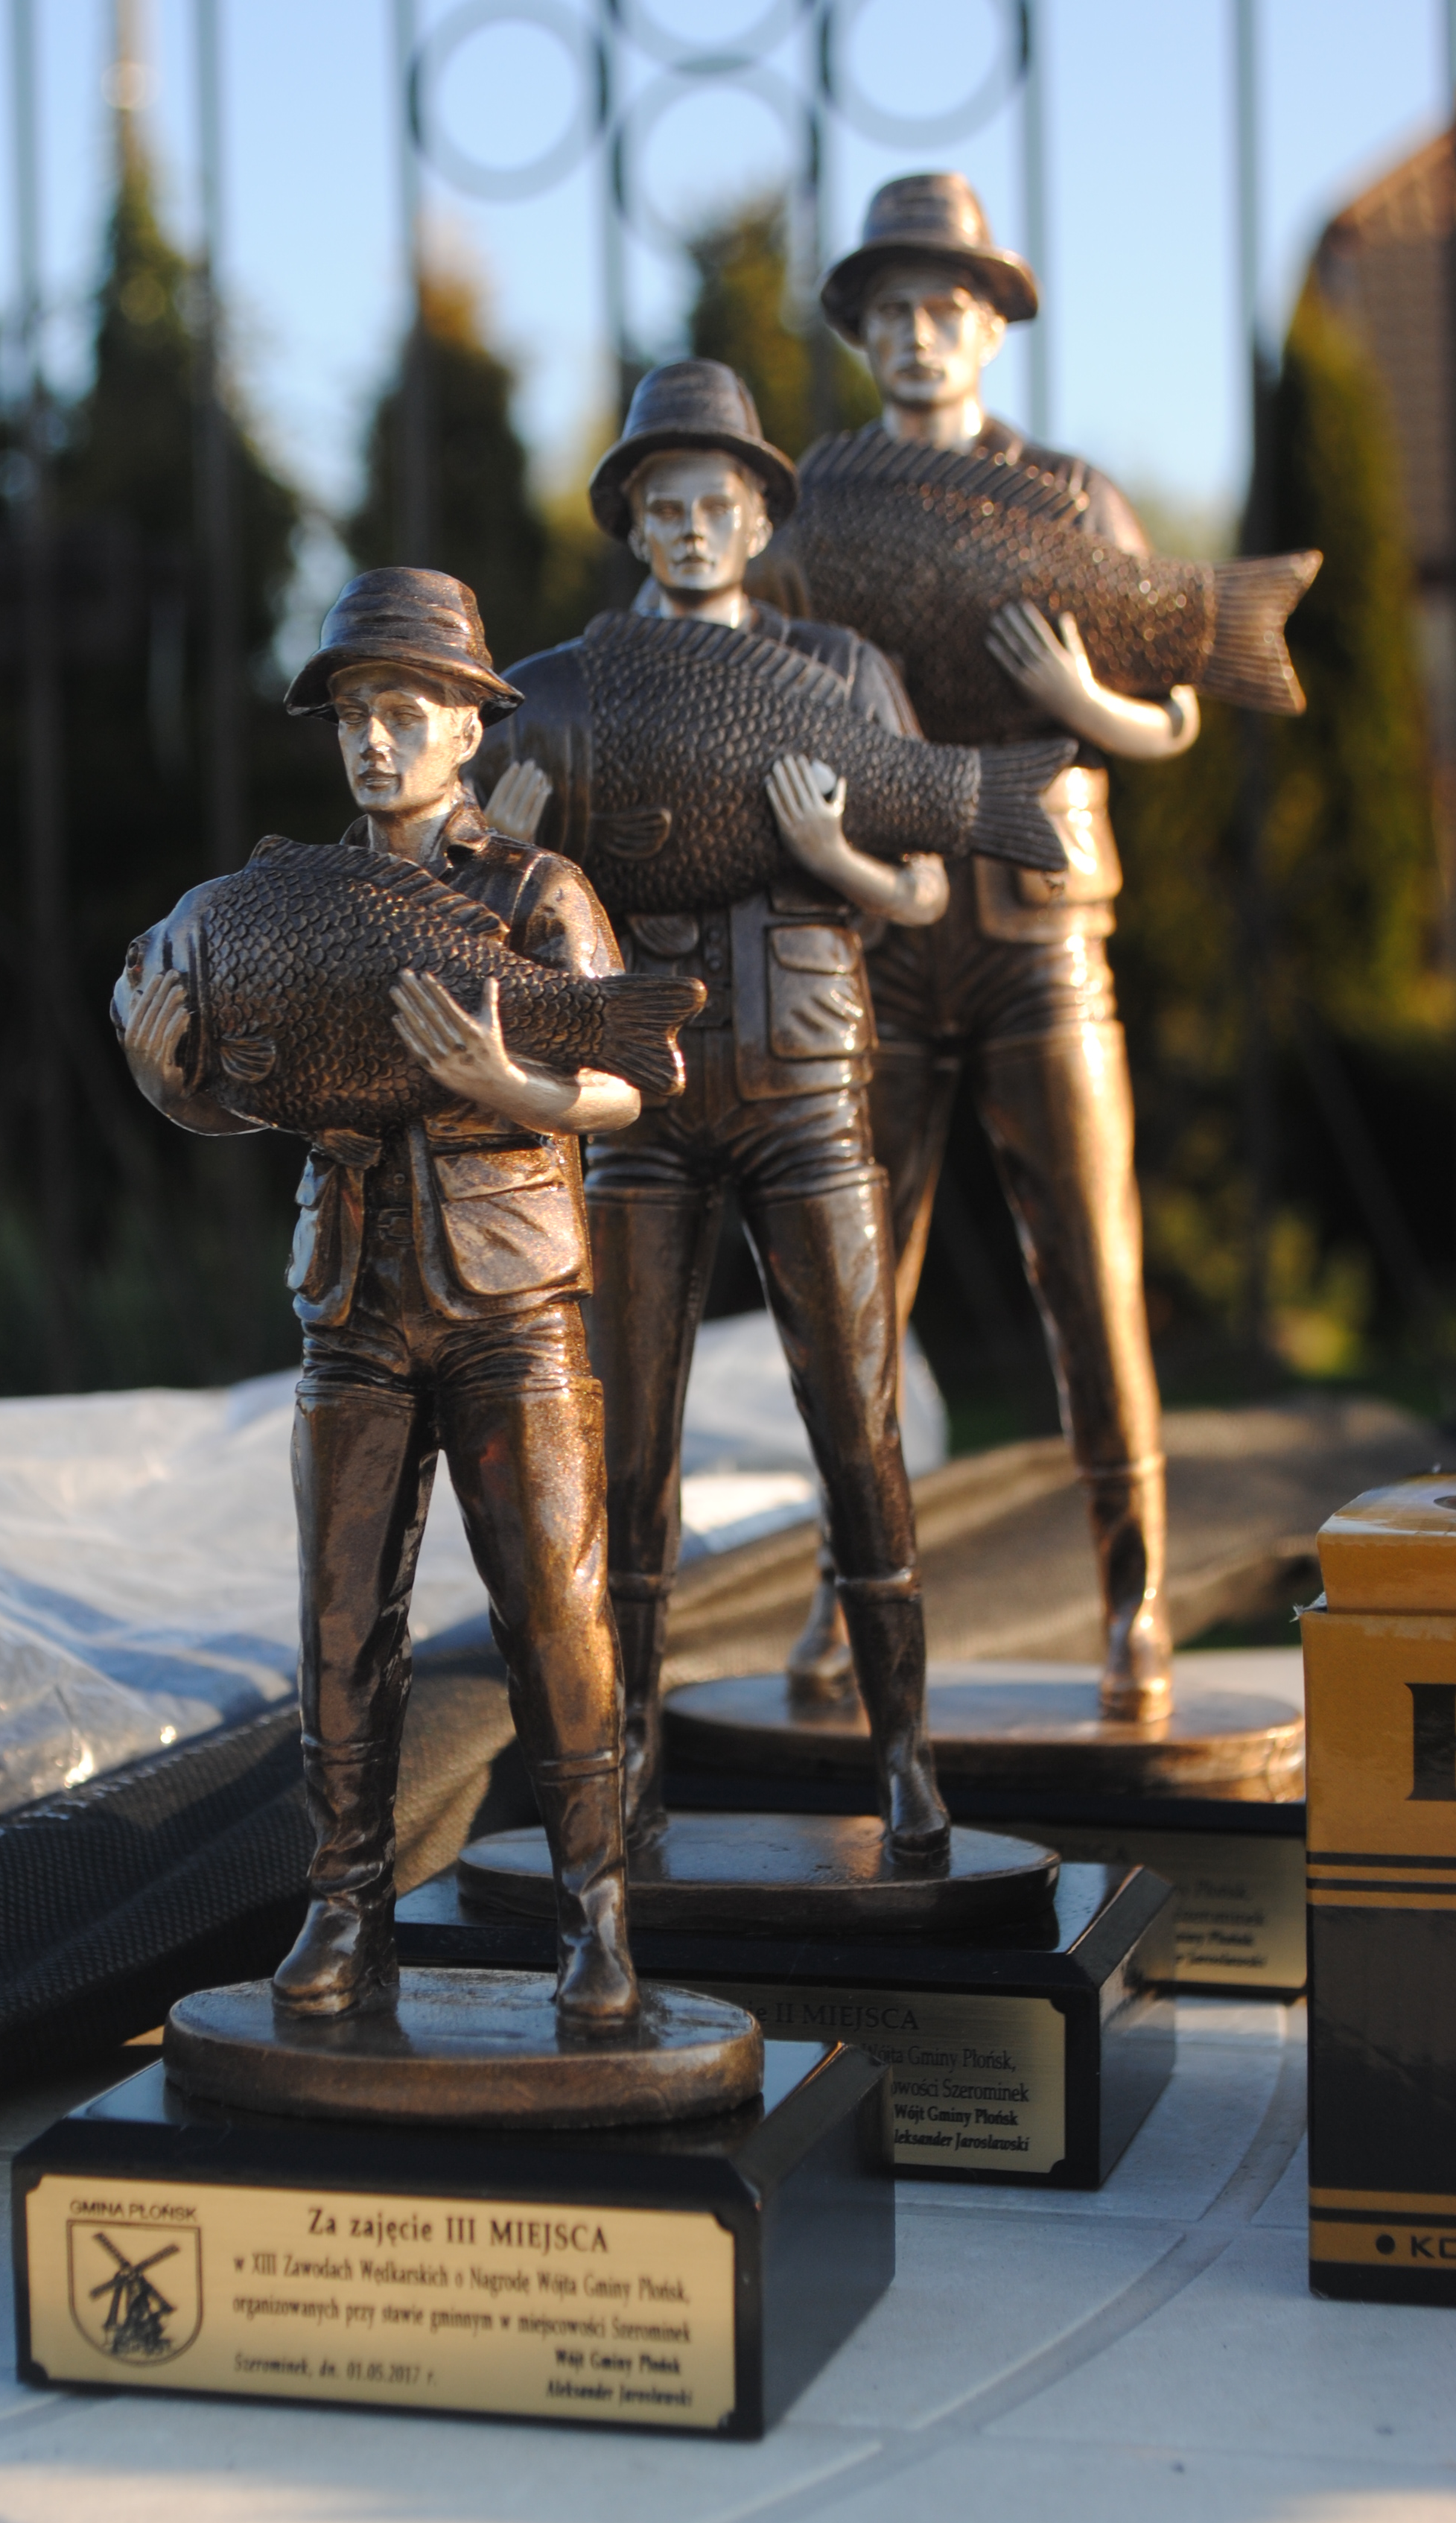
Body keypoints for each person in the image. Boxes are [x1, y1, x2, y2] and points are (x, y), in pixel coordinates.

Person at [120, 568, 643, 2020]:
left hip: (510, 1298)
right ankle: (347, 1904)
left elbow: (629, 1078)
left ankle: (597, 1913)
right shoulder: (280, 903)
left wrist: (511, 1083)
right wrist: (174, 1084)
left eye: (404, 712)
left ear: (471, 728)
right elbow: (255, 1089)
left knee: (555, 1604)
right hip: (351, 1296)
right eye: (354, 714)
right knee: (341, 1616)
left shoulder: (539, 891)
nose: (373, 740)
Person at [486, 360, 950, 1859]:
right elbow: (499, 914)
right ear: (634, 526)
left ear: (759, 517)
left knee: (857, 1415)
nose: (692, 528)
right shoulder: (566, 691)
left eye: (718, 504)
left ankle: (904, 1749)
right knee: (629, 1441)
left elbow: (925, 887)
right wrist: (510, 863)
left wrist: (836, 852)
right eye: (665, 506)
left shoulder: (843, 669)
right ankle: (627, 1753)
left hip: (808, 1081)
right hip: (646, 1095)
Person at [817, 173, 1194, 1721]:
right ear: (863, 335)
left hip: (1040, 924)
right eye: (893, 311)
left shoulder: (1071, 499)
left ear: (990, 330)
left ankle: (1137, 1597)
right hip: (880, 924)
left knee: (1093, 1266)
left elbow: (1174, 709)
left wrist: (1077, 695)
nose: (919, 334)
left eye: (947, 309)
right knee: (852, 1284)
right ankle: (849, 1602)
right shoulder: (816, 502)